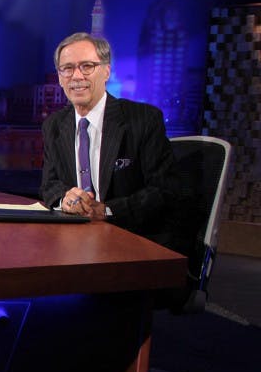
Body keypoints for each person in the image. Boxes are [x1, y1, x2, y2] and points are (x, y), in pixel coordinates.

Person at [40, 32, 185, 254]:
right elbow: (49, 184)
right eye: (67, 68)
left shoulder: (143, 119)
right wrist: (65, 199)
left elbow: (163, 191)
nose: (76, 76)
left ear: (106, 71)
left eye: (87, 66)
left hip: (133, 240)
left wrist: (106, 210)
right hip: (74, 242)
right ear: (60, 77)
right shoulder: (54, 125)